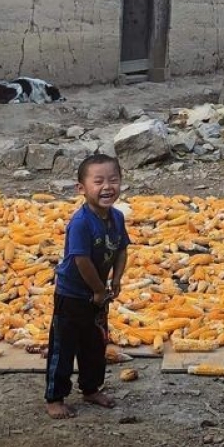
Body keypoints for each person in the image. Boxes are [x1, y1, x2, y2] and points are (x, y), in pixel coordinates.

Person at [44, 154, 130, 419]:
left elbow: (122, 249)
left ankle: (91, 388)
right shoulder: (81, 223)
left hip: (98, 295)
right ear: (81, 188)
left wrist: (115, 280)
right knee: (63, 347)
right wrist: (97, 290)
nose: (107, 187)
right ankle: (55, 398)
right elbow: (81, 260)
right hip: (72, 295)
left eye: (113, 180)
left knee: (94, 346)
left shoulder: (116, 217)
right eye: (99, 181)